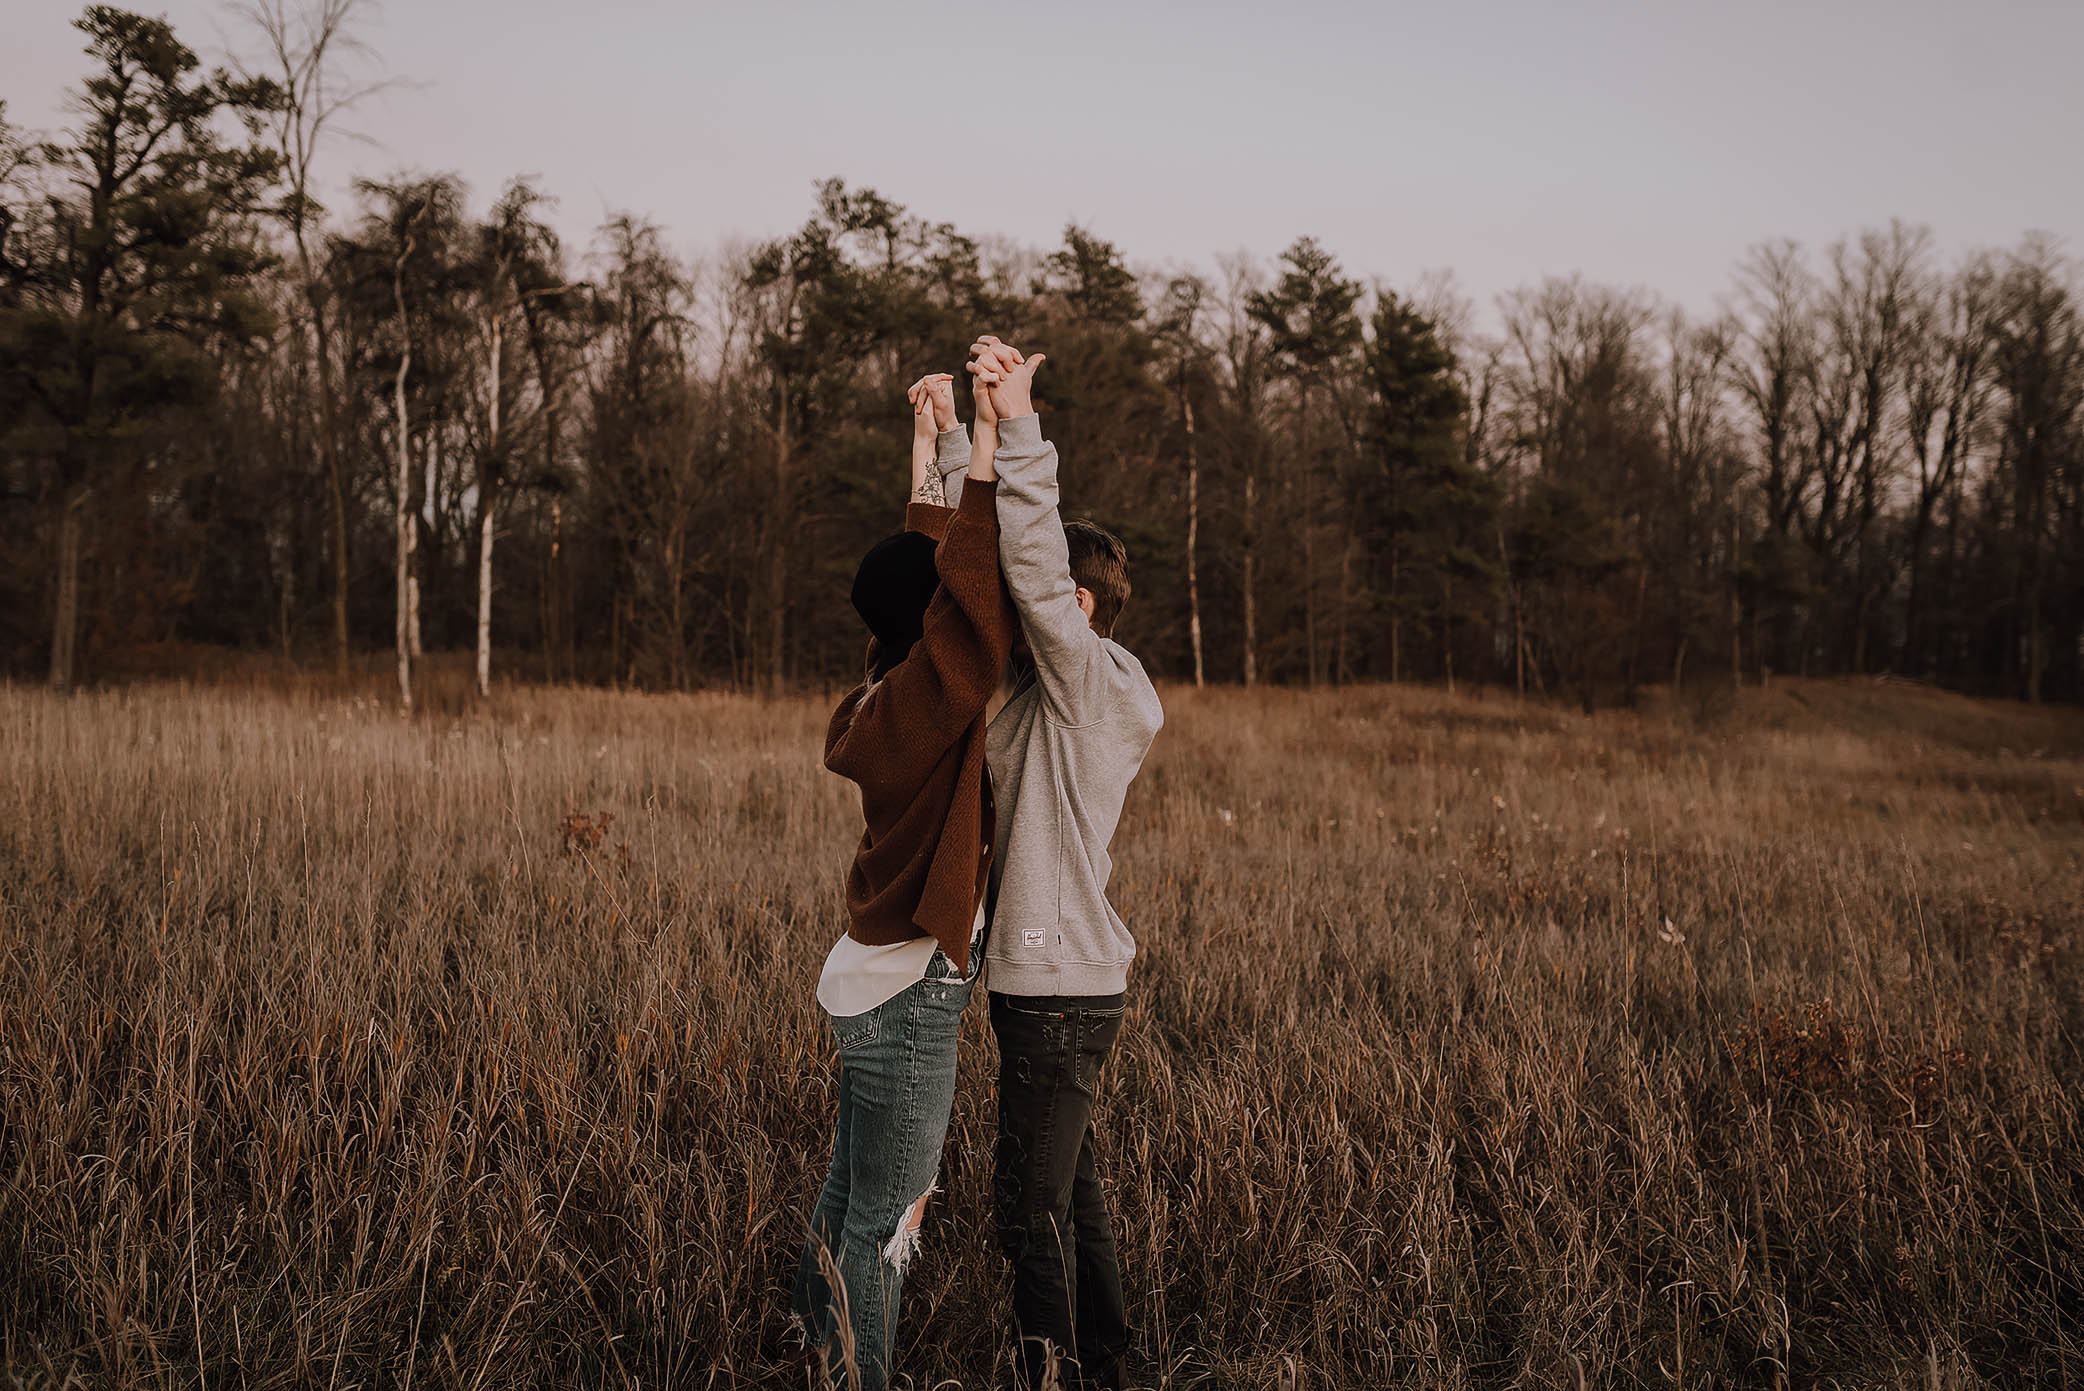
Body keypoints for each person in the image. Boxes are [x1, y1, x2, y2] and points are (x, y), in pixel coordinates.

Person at [790, 369, 1013, 1391]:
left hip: (871, 980)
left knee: (846, 1203)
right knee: (885, 1225)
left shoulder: (885, 694)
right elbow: (965, 595)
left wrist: (923, 442)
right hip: (911, 989)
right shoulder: (935, 692)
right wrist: (984, 438)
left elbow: (917, 576)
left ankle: (817, 1357)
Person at [962, 336, 1164, 1390]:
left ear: (1078, 606)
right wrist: (963, 441)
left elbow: (1032, 565)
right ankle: (1109, 1366)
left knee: (1024, 1210)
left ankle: (1048, 1374)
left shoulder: (1090, 682)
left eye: (1044, 594)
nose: (1022, 600)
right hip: (1049, 982)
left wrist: (1022, 420)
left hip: (1057, 988)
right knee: (1072, 1195)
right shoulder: (1060, 694)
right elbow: (990, 571)